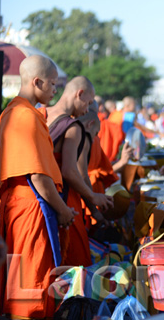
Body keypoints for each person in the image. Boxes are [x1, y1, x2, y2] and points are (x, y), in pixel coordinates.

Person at [0, 55, 77, 318]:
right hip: (31, 208)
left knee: (20, 281)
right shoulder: (25, 116)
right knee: (31, 285)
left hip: (18, 207)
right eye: (52, 84)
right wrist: (63, 210)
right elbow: (38, 176)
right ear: (37, 81)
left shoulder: (13, 111)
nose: (55, 90)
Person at [43, 76, 114, 267]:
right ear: (79, 94)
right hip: (65, 200)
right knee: (74, 265)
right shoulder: (73, 127)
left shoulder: (41, 115)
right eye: (89, 103)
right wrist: (92, 197)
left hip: (41, 197)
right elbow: (69, 171)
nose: (87, 110)